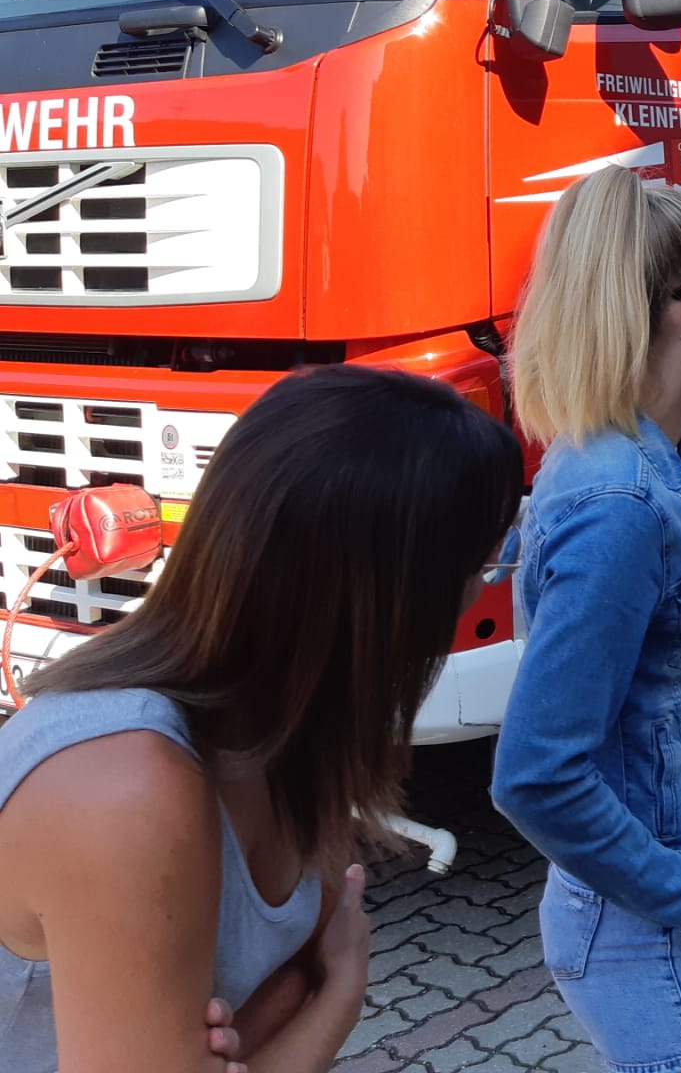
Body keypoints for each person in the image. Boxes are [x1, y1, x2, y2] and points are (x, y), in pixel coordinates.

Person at [0, 366, 523, 1073]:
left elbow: (287, 987)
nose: (486, 585)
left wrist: (289, 1006)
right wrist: (339, 997)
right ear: (396, 594)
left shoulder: (293, 735)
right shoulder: (129, 790)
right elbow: (314, 970)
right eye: (486, 562)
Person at [492, 167, 681, 1073]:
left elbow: (660, 682)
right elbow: (537, 777)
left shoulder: (665, 463)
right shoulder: (620, 502)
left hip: (676, 908)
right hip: (650, 933)